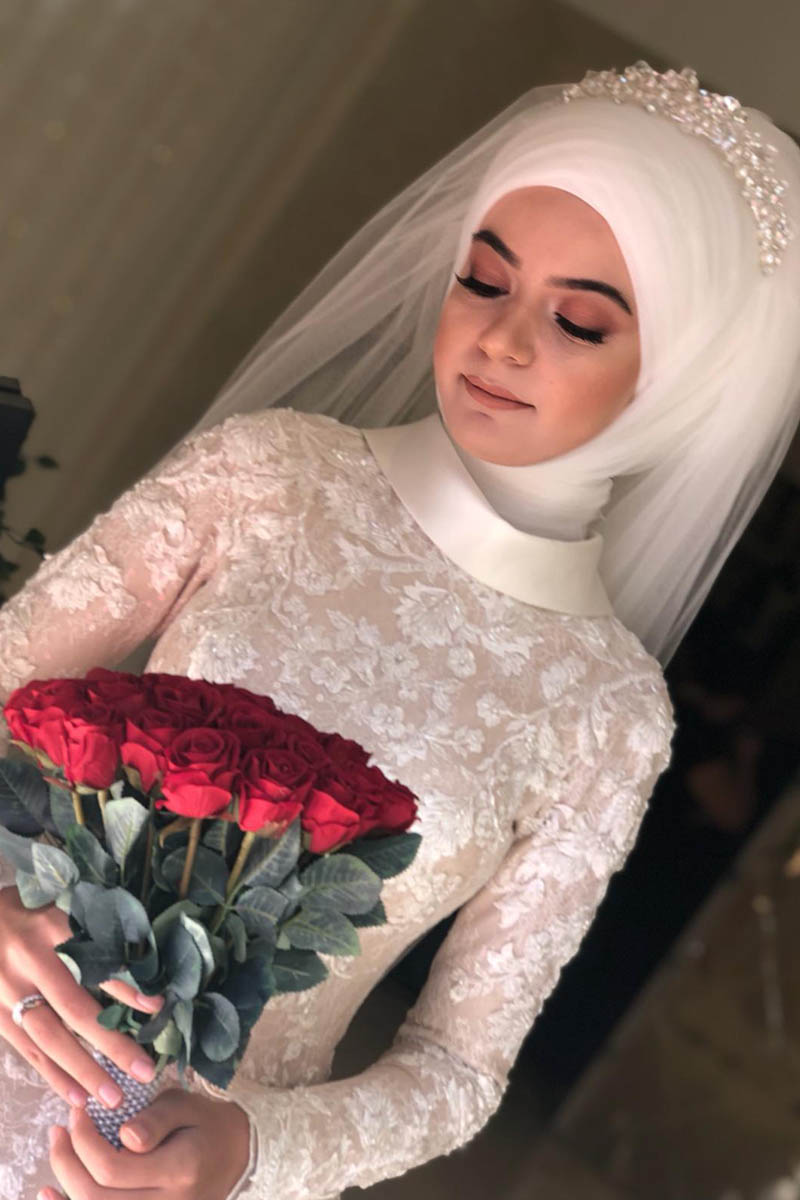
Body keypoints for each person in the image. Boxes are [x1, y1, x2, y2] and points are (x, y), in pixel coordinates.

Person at [0, 59, 797, 1200]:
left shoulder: (606, 712)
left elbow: (456, 1070)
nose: (501, 340)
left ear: (677, 374)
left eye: (577, 321)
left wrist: (249, 1151)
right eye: (483, 279)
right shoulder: (269, 473)